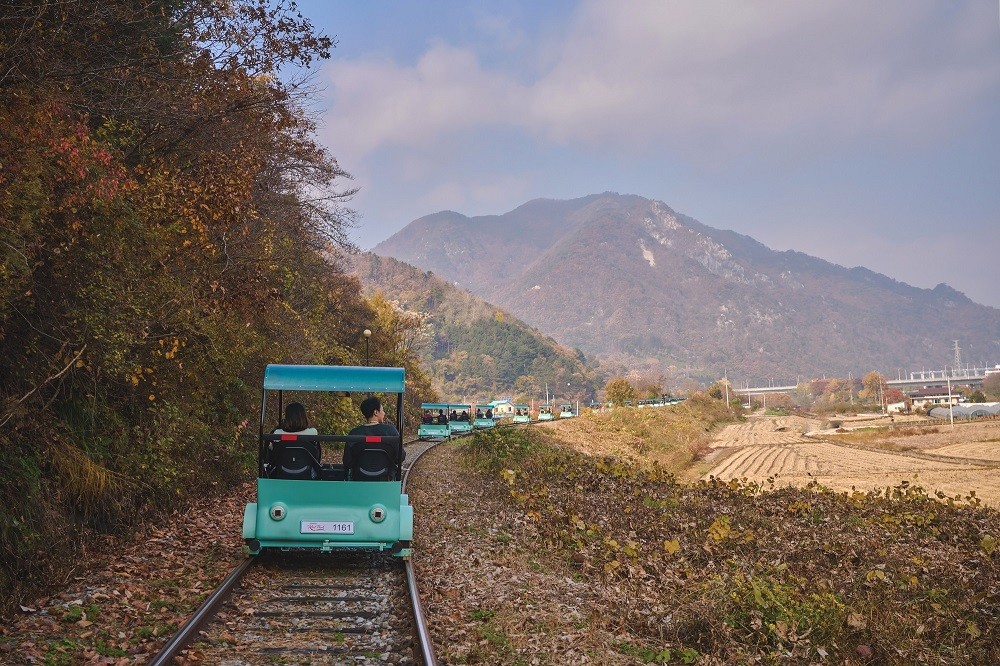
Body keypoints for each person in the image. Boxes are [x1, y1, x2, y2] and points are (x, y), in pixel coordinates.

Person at [344, 396, 404, 480]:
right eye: (382, 410)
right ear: (376, 412)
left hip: (359, 480)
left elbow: (347, 461)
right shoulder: (391, 431)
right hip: (385, 480)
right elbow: (401, 457)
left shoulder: (354, 433)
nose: (384, 413)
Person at [272, 402, 320, 477]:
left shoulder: (277, 433)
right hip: (307, 472)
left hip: (282, 472)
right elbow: (317, 454)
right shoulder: (312, 432)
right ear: (304, 417)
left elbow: (271, 452)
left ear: (287, 418)